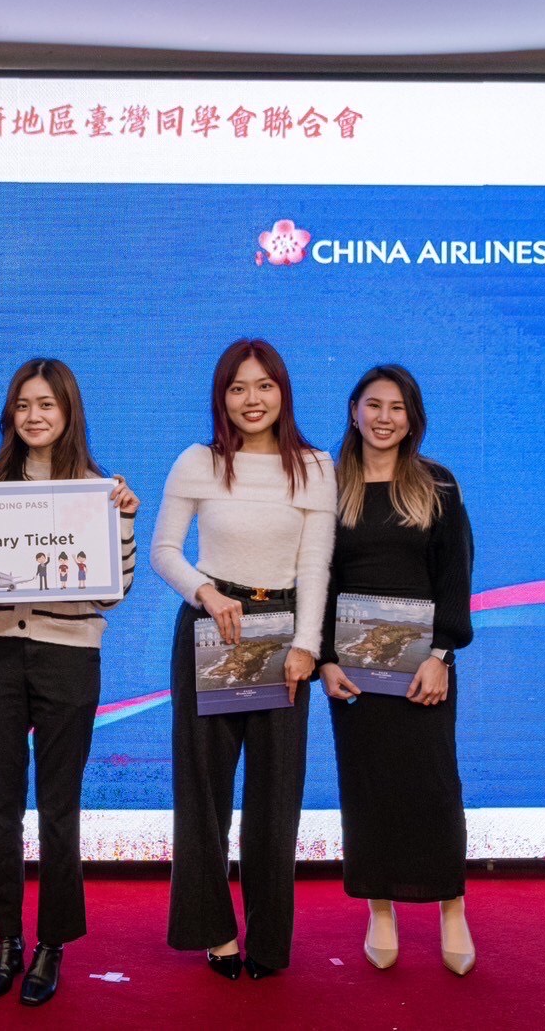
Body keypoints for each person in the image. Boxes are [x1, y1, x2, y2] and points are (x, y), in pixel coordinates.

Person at [152, 339, 337, 980]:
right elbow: (165, 550)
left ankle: (269, 940)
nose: (251, 400)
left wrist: (307, 645)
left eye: (263, 386)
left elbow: (315, 565)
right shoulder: (197, 462)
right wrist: (204, 592)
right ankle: (216, 933)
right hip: (213, 629)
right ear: (221, 397)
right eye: (237, 388)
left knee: (276, 798)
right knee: (202, 792)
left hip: (284, 634)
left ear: (282, 392)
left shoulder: (314, 466)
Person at [0, 358, 138, 1007]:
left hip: (69, 657)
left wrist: (122, 521)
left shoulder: (100, 491)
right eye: (23, 404)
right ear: (9, 414)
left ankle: (51, 944)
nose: (33, 416)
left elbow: (113, 593)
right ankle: (6, 938)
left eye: (46, 404)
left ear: (68, 413)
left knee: (58, 810)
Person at [315, 364, 476, 976]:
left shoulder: (437, 484)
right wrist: (325, 660)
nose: (384, 418)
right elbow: (318, 579)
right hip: (353, 673)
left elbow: (455, 575)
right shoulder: (328, 486)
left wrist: (441, 656)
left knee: (434, 789)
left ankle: (452, 908)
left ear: (412, 420)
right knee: (369, 789)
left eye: (397, 408)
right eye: (374, 404)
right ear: (354, 410)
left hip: (423, 668)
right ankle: (378, 909)